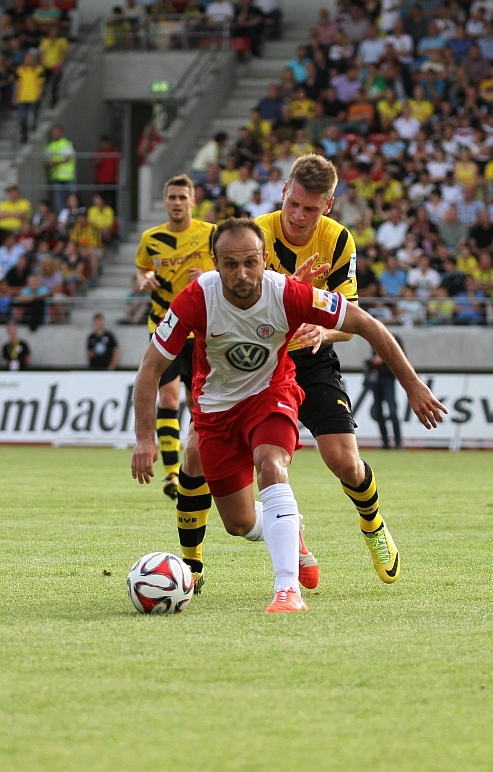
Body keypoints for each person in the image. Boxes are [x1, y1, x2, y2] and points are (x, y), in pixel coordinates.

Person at [131, 218, 447, 612]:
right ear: (215, 262)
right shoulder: (195, 299)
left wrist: (413, 385)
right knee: (238, 524)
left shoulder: (287, 293)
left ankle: (287, 590)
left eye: (250, 262)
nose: (242, 274)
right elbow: (150, 369)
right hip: (217, 411)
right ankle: (288, 526)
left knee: (273, 464)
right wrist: (144, 439)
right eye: (230, 264)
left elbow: (367, 324)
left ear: (264, 259)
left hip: (271, 393)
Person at [175, 154, 431, 593]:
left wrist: (321, 329)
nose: (298, 215)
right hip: (254, 359)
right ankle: (193, 565)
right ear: (283, 193)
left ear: (327, 205)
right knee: (195, 453)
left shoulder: (338, 241)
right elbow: (239, 295)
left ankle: (372, 522)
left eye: (310, 209)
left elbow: (351, 323)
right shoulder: (255, 235)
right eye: (293, 204)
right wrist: (293, 288)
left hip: (310, 357)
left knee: (344, 461)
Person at [134, 174, 214, 592]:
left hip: (200, 328)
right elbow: (142, 270)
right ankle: (171, 474)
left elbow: (231, 269)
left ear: (193, 201)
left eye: (183, 196)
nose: (177, 202)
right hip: (164, 327)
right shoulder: (151, 239)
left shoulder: (211, 234)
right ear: (165, 202)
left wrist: (209, 272)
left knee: (196, 402)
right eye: (172, 197)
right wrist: (144, 280)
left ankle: (193, 467)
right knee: (167, 396)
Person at [365, 334, 404, 450]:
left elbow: (401, 357)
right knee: (378, 412)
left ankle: (398, 442)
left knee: (392, 410)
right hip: (377, 379)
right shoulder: (374, 337)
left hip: (388, 377)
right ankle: (385, 442)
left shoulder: (394, 338)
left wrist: (383, 358)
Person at [45, 124, 76, 216]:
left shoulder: (67, 144)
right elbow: (48, 162)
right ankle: (61, 218)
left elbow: (68, 159)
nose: (54, 134)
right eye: (53, 132)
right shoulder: (50, 146)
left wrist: (55, 162)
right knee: (58, 201)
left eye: (56, 132)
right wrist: (60, 161)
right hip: (57, 177)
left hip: (68, 177)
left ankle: (73, 216)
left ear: (61, 132)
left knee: (72, 199)